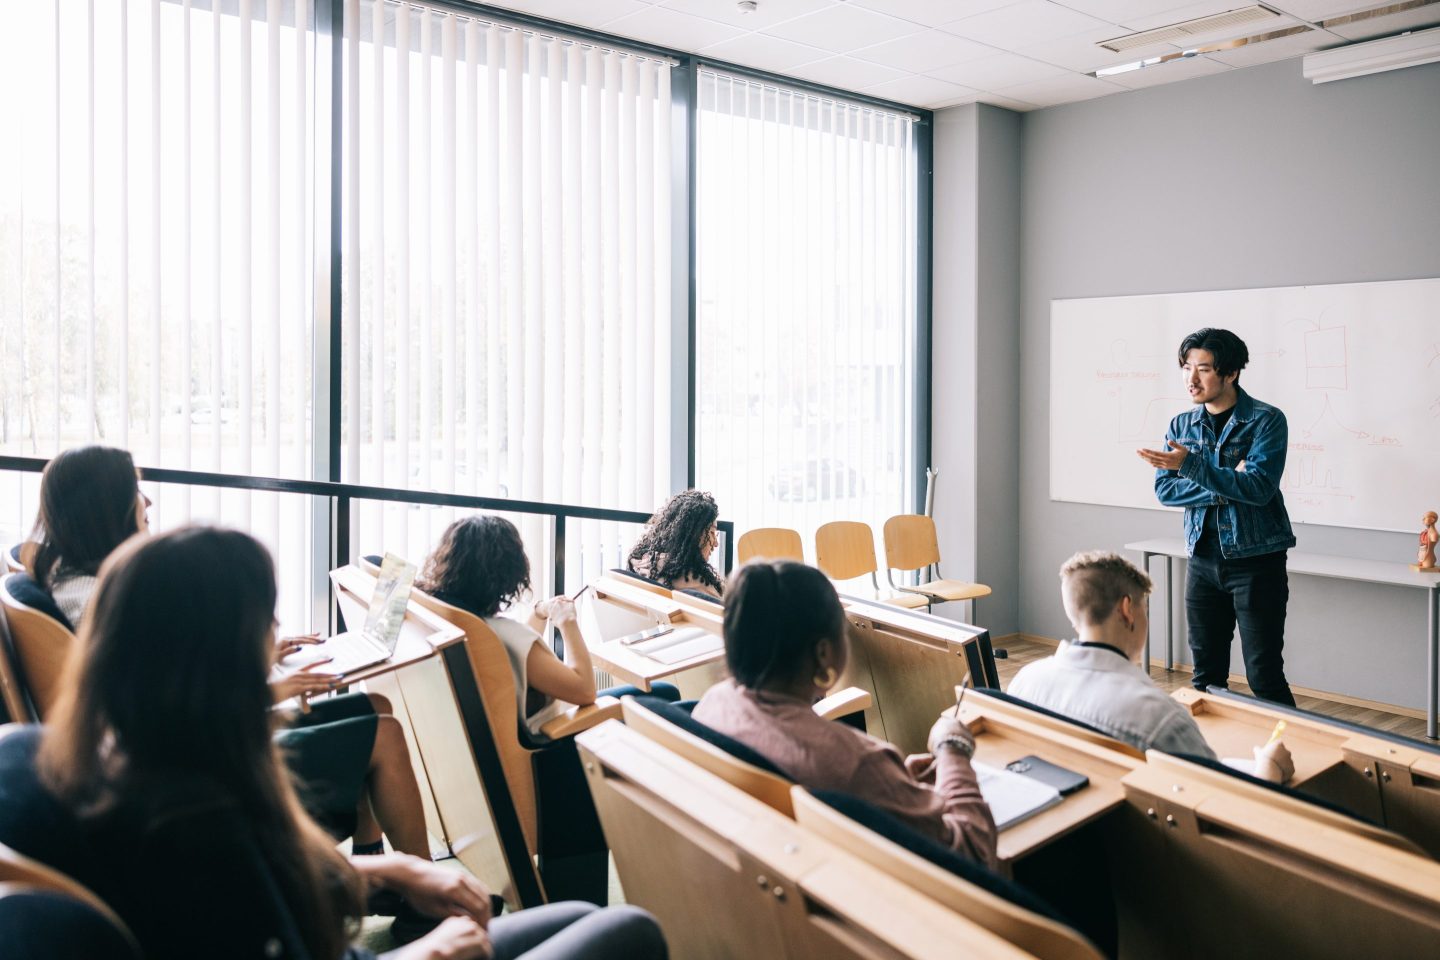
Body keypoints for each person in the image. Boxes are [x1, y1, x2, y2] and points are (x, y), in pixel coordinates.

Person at [0, 527, 668, 960]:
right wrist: (434, 953)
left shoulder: (65, 761)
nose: (280, 632)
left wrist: (390, 871)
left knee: (579, 916)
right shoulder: (200, 825)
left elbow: (263, 877)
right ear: (218, 658)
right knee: (626, 931)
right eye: (266, 619)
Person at [20, 445, 431, 882]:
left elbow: (162, 676)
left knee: (374, 708)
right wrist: (267, 689)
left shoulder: (74, 576)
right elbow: (162, 719)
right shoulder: (101, 599)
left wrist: (254, 659)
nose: (149, 502)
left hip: (197, 748)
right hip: (204, 769)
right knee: (384, 735)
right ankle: (429, 897)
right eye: (136, 490)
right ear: (105, 506)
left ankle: (378, 871)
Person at [692, 560, 997, 868]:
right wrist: (953, 751)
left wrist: (893, 784)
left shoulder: (713, 704)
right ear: (824, 652)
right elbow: (973, 852)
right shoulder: (859, 763)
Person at [1008, 552, 1293, 783]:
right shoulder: (1160, 718)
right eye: (1145, 608)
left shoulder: (1025, 681)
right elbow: (1219, 798)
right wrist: (1268, 770)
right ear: (1126, 610)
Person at [1137, 328, 1298, 706]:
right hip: (1202, 560)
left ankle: (1301, 758)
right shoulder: (1181, 425)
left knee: (1265, 677)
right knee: (1205, 677)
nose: (1191, 379)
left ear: (1231, 373)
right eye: (1186, 367)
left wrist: (1192, 466)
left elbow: (1259, 489)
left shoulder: (1267, 420)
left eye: (1204, 369)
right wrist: (1231, 483)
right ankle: (1208, 762)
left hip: (1257, 561)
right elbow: (1166, 491)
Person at [417, 515, 680, 737]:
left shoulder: (462, 623)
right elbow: (584, 690)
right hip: (556, 740)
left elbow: (520, 655)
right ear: (508, 572)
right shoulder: (504, 633)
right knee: (665, 692)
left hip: (515, 730)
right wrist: (567, 621)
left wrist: (540, 613)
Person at [26, 445, 151, 632]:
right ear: (107, 510)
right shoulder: (106, 607)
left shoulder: (64, 572)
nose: (148, 501)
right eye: (135, 490)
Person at [626, 490, 724, 598]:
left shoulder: (642, 565)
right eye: (711, 532)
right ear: (693, 534)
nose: (716, 543)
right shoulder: (695, 583)